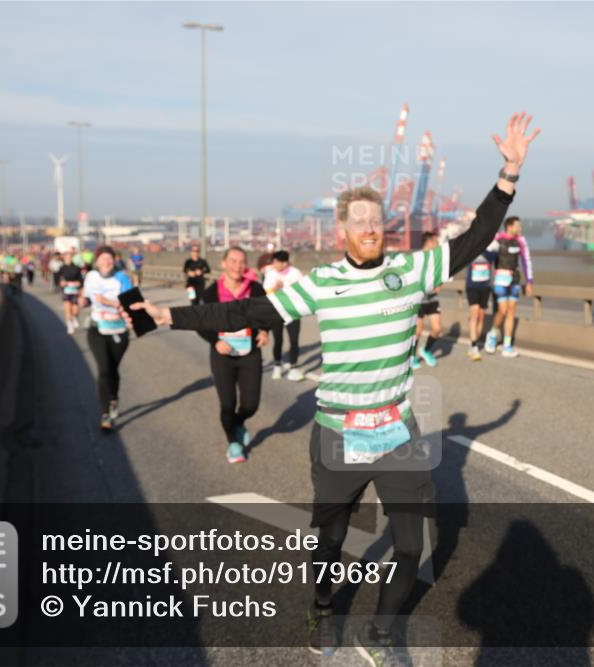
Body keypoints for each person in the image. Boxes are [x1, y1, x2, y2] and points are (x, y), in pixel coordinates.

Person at [125, 111, 538, 663]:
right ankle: (321, 607)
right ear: (342, 231)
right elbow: (247, 310)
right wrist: (166, 316)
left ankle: (383, 629)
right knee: (329, 542)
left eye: (377, 221)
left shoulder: (412, 272)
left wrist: (507, 174)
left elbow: (475, 238)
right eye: (359, 222)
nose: (370, 228)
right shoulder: (321, 284)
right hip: (338, 435)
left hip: (394, 430)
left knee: (412, 546)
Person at [195, 246, 269, 463]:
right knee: (227, 404)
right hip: (223, 355)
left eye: (242, 261)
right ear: (223, 264)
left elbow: (269, 314)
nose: (238, 266)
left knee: (251, 404)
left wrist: (264, 330)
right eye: (233, 261)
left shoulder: (255, 289)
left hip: (249, 353)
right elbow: (200, 323)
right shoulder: (211, 293)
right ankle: (233, 443)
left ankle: (238, 422)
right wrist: (215, 341)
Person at [80, 246, 133, 431]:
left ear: (114, 260)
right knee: (103, 369)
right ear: (97, 261)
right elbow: (86, 298)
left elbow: (132, 305)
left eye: (109, 258)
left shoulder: (122, 278)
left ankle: (113, 398)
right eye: (102, 258)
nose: (106, 262)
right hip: (97, 330)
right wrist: (83, 301)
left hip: (119, 331)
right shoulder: (91, 277)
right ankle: (105, 414)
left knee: (113, 369)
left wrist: (110, 302)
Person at [484, 216, 534, 357]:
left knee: (511, 311)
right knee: (503, 310)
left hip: (514, 280)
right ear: (509, 226)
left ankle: (507, 345)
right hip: (500, 280)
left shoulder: (521, 241)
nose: (520, 228)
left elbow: (526, 261)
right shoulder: (497, 238)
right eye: (517, 226)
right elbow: (487, 255)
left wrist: (529, 282)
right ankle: (493, 334)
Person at [263, 250, 305, 381]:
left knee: (294, 341)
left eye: (276, 262)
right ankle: (277, 365)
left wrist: (293, 288)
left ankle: (294, 368)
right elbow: (267, 292)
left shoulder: (296, 273)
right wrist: (275, 288)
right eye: (273, 261)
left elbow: (304, 290)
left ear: (285, 263)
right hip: (277, 312)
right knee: (278, 340)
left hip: (293, 311)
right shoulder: (270, 274)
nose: (274, 264)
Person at [412, 232, 443, 368]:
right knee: (418, 330)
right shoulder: (416, 258)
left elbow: (441, 275)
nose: (438, 244)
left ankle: (426, 350)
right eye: (436, 241)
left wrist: (439, 284)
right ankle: (412, 357)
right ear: (429, 242)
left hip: (432, 299)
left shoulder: (436, 259)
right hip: (418, 300)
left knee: (436, 329)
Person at [465, 246, 495, 360]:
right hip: (472, 287)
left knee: (481, 317)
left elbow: (498, 261)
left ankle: (474, 342)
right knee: (475, 313)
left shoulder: (490, 253)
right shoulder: (471, 251)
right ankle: (473, 346)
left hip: (485, 287)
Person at [57, 251, 85, 334]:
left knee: (75, 310)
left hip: (75, 290)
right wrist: (61, 282)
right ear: (64, 258)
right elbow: (58, 278)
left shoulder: (76, 268)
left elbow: (81, 279)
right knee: (67, 309)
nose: (68, 258)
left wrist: (79, 283)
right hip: (66, 290)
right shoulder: (62, 268)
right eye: (67, 257)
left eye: (70, 257)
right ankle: (69, 325)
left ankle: (74, 317)